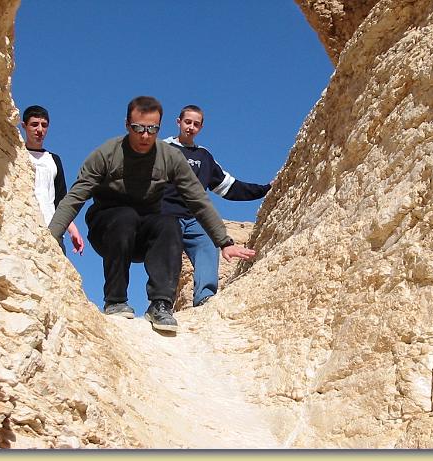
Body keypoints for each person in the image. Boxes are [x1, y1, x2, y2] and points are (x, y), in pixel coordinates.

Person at [48, 96, 254, 332]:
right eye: (138, 128)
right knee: (125, 216)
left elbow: (198, 200)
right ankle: (115, 300)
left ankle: (161, 304)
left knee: (169, 223)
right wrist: (51, 237)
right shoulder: (106, 154)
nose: (145, 136)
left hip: (145, 231)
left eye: (152, 129)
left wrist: (224, 241)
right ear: (127, 125)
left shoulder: (170, 157)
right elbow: (75, 197)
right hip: (108, 228)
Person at [161, 105, 271, 307]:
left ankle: (204, 298)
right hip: (166, 215)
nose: (191, 127)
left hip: (195, 218)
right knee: (167, 256)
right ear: (178, 122)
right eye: (187, 122)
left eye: (196, 124)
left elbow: (229, 187)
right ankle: (162, 302)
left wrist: (266, 189)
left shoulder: (204, 156)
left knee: (208, 244)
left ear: (201, 127)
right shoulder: (162, 148)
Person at [21, 105, 85, 255]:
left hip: (52, 231)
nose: (39, 130)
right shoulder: (17, 155)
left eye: (44, 125)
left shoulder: (53, 160)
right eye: (34, 124)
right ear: (24, 126)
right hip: (24, 226)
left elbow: (61, 199)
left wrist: (73, 230)